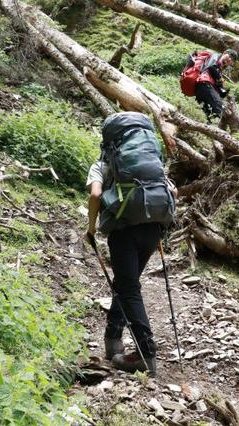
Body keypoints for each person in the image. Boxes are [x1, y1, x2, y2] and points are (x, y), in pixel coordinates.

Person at [85, 112, 177, 377]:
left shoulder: (105, 162)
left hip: (123, 230)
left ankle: (145, 354)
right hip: (154, 227)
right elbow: (173, 191)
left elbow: (95, 194)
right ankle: (113, 339)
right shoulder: (152, 162)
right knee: (126, 284)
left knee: (129, 288)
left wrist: (91, 228)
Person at [194, 49, 238, 122]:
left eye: (232, 60)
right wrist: (220, 79)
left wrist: (221, 89)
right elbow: (210, 67)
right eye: (230, 56)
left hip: (202, 88)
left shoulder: (219, 67)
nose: (230, 59)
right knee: (218, 110)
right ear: (224, 53)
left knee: (209, 114)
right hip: (204, 84)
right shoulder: (214, 56)